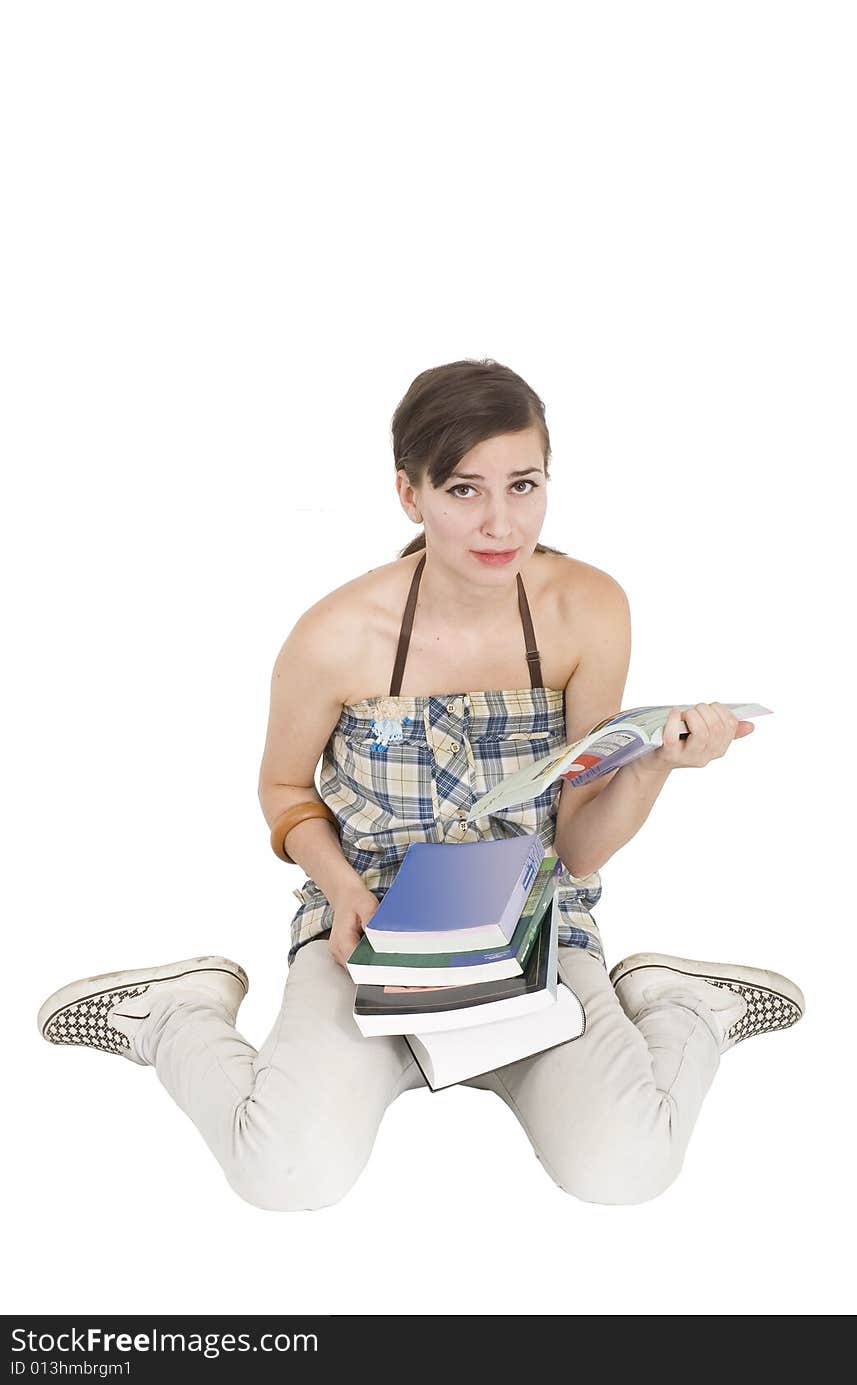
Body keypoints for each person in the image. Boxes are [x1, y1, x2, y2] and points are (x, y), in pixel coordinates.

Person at [36, 358, 804, 1212]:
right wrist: (342, 887)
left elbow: (580, 844)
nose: (500, 522)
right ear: (410, 493)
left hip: (530, 928)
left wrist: (655, 764)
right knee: (285, 1172)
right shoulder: (335, 634)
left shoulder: (589, 609)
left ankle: (684, 1005)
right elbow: (284, 789)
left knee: (627, 1167)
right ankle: (178, 1015)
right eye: (464, 490)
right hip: (367, 928)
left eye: (524, 484)